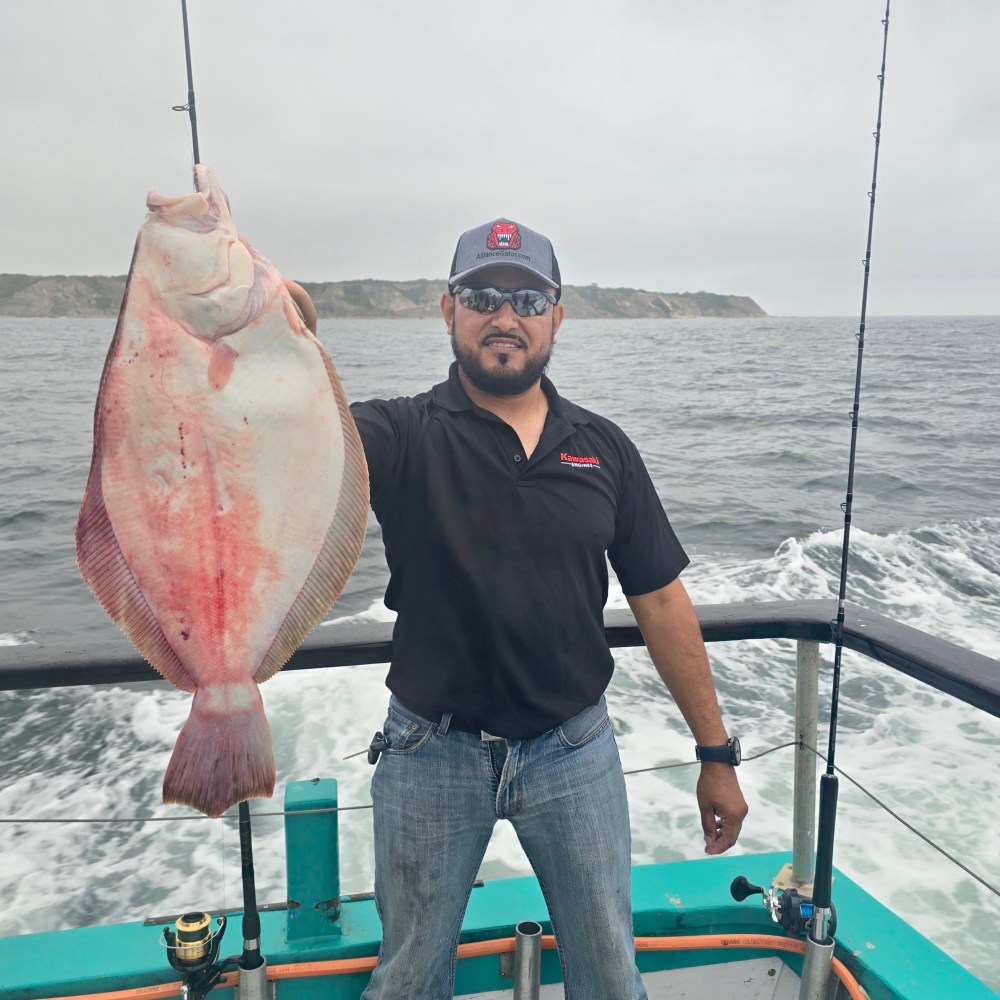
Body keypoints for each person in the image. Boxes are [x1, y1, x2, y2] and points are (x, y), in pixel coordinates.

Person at [287, 218, 747, 1000]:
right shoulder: (400, 432)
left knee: (610, 972)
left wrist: (716, 753)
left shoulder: (603, 448)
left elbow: (661, 599)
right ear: (448, 310)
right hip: (428, 752)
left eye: (528, 297)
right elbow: (296, 449)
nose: (506, 316)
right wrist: (280, 347)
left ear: (557, 315)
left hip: (575, 754)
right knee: (406, 979)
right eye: (483, 295)